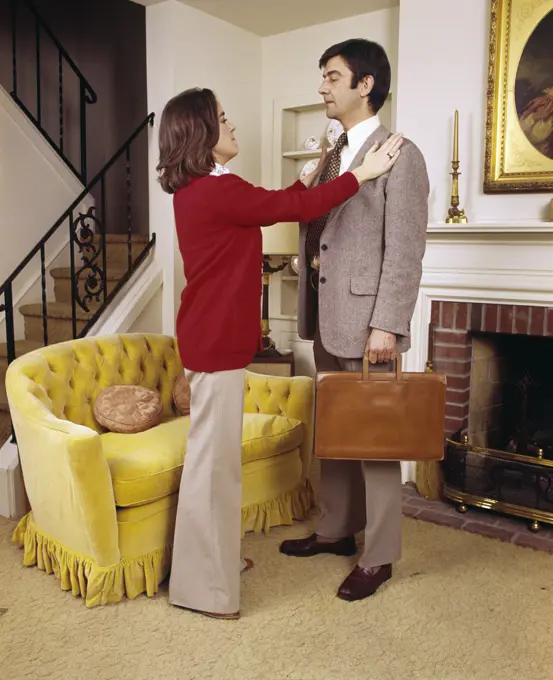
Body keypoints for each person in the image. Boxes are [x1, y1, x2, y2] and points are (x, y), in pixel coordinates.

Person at [155, 87, 403, 620]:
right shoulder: (216, 190)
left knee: (212, 465)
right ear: (201, 132)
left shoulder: (206, 189)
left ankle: (208, 565)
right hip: (215, 343)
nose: (233, 125)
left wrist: (315, 170)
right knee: (214, 470)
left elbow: (277, 200)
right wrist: (361, 174)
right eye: (223, 118)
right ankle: (205, 589)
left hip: (208, 339)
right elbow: (291, 207)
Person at [279, 39, 430, 602]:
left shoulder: (402, 154)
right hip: (325, 314)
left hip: (370, 322)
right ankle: (336, 529)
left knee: (375, 437)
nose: (322, 86)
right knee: (336, 430)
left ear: (365, 85)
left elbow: (405, 249)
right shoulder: (331, 152)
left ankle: (381, 554)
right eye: (322, 76)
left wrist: (387, 323)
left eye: (332, 76)